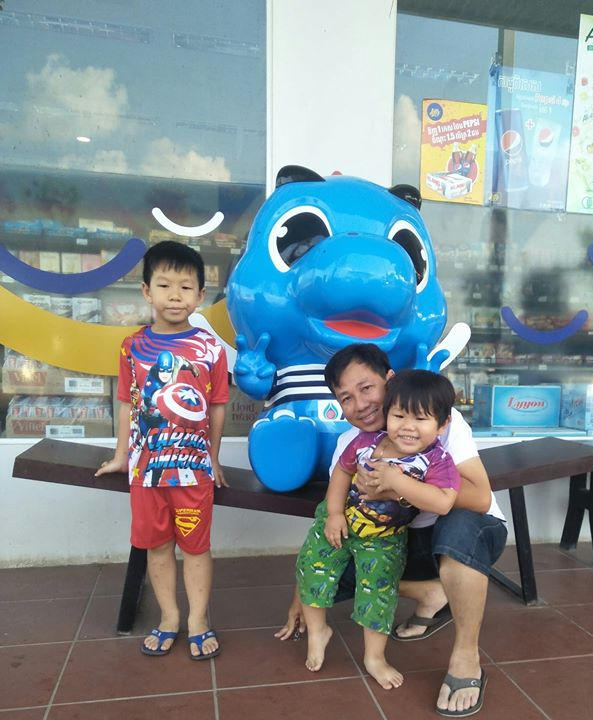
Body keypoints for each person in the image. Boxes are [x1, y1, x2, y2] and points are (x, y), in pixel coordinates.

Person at [276, 343, 507, 717]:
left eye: (367, 388)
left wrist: (398, 486)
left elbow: (479, 498)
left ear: (390, 379)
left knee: (458, 530)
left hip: (466, 531)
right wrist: (302, 592)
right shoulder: (352, 443)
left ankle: (466, 656)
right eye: (346, 398)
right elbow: (329, 525)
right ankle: (432, 594)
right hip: (395, 540)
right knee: (333, 571)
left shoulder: (434, 418)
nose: (361, 405)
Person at [96, 240, 229, 660]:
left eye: (186, 287)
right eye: (165, 285)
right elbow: (126, 401)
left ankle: (199, 620)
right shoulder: (131, 347)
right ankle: (170, 617)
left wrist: (214, 458)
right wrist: (121, 455)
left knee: (196, 547)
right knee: (156, 547)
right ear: (146, 291)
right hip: (146, 472)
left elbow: (217, 405)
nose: (175, 295)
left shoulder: (210, 349)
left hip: (193, 472)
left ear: (200, 295)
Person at [297, 369, 461, 689]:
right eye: (399, 415)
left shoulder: (437, 460)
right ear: (387, 413)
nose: (408, 427)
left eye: (421, 419)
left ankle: (374, 657)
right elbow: (342, 472)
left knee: (377, 594)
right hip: (340, 522)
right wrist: (334, 513)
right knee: (311, 568)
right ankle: (318, 632)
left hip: (383, 538)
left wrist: (395, 480)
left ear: (442, 425)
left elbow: (443, 502)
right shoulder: (366, 441)